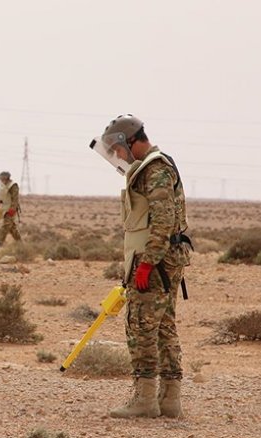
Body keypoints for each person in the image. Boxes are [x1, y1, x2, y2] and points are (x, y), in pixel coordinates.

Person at [90, 114, 191, 418]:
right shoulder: (153, 167)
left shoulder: (155, 169)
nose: (118, 156)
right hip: (164, 260)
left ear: (129, 141)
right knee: (163, 327)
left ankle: (146, 400)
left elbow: (163, 220)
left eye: (118, 149)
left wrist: (146, 263)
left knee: (142, 328)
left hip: (155, 262)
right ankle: (169, 400)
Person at [0, 171, 21, 246]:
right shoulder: (4, 186)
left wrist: (13, 209)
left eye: (1, 178)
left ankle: (0, 243)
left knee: (5, 226)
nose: (0, 180)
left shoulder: (13, 186)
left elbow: (15, 199)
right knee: (12, 229)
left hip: (10, 210)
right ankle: (21, 244)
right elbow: (3, 197)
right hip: (4, 209)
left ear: (5, 178)